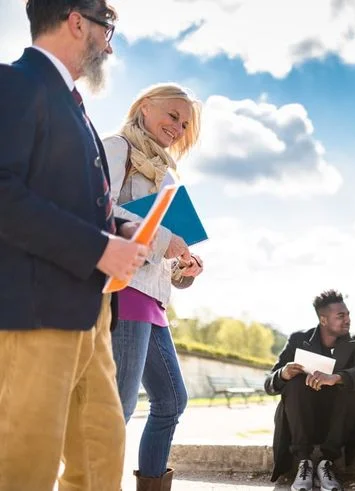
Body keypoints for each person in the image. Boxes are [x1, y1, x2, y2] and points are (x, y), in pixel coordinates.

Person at [0, 1, 150, 490]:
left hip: (92, 318)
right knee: (26, 466)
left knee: (101, 462)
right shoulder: (16, 84)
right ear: (76, 21)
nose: (109, 44)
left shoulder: (75, 107)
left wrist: (120, 236)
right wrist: (99, 249)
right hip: (34, 317)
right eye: (108, 29)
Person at [103, 83, 204, 489]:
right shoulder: (116, 148)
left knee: (172, 400)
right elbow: (98, 208)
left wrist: (184, 267)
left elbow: (163, 257)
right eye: (173, 115)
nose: (178, 127)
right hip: (122, 292)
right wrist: (166, 240)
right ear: (145, 107)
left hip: (152, 300)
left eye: (185, 123)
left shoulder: (165, 173)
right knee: (118, 407)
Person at [265, 290, 355, 491]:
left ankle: (327, 463)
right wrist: (283, 373)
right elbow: (269, 384)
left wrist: (336, 378)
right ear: (323, 320)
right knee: (295, 382)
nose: (348, 320)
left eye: (348, 314)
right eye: (341, 316)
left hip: (340, 425)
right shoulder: (299, 339)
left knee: (349, 382)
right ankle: (304, 463)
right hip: (304, 422)